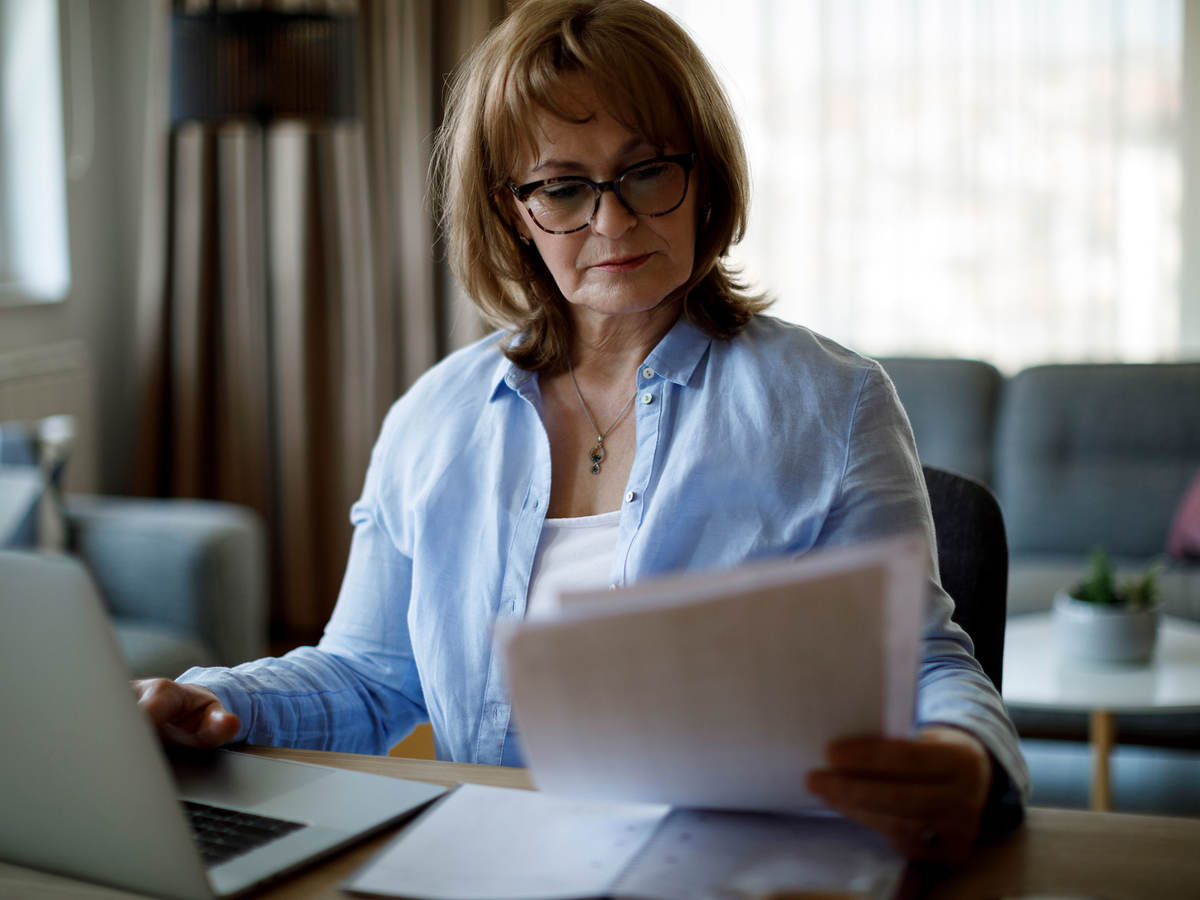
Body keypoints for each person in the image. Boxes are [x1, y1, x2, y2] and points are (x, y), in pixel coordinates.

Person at [135, 0, 1028, 863]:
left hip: (736, 864)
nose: (613, 220)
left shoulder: (832, 404)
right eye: (563, 187)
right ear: (514, 211)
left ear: (704, 170)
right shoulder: (433, 419)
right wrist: (213, 698)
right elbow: (371, 675)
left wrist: (968, 760)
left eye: (646, 171)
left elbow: (920, 663)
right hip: (487, 864)